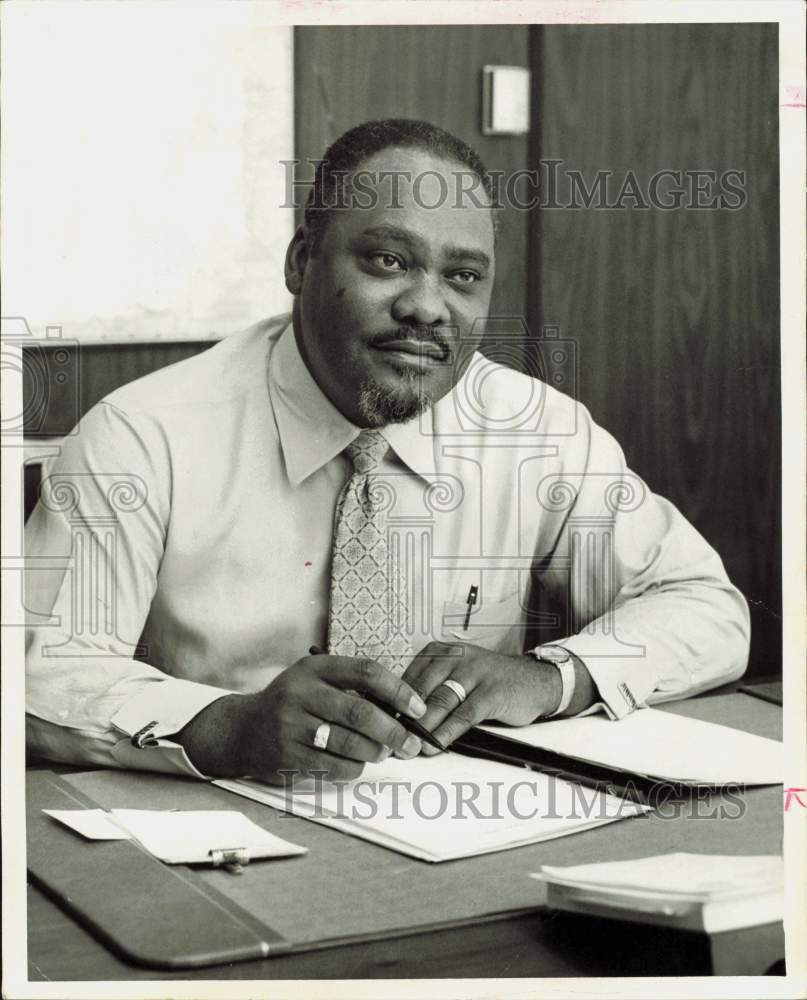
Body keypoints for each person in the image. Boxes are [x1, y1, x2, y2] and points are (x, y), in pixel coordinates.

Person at [25, 119, 749, 784]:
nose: (427, 307)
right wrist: (222, 725)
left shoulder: (535, 431)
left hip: (460, 830)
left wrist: (552, 677)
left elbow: (705, 608)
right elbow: (34, 675)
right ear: (302, 262)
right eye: (387, 260)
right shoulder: (142, 436)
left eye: (462, 277)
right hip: (213, 835)